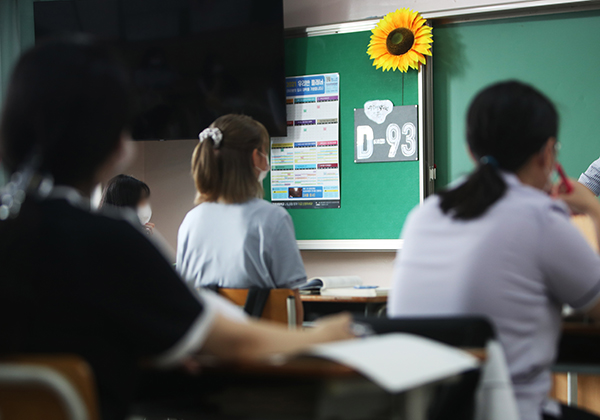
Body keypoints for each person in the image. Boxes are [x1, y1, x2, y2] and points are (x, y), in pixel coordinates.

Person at [0, 38, 352, 420]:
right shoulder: (112, 242)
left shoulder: (17, 231)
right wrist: (325, 335)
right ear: (119, 145)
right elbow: (233, 344)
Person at [388, 81, 600, 420]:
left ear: (472, 151)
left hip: (424, 411)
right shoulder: (541, 217)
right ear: (547, 153)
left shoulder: (426, 212)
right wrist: (594, 209)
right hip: (507, 412)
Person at [177, 114, 307, 289]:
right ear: (255, 157)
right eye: (265, 153)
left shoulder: (190, 221)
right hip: (259, 317)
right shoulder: (273, 217)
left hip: (211, 317)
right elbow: (290, 300)